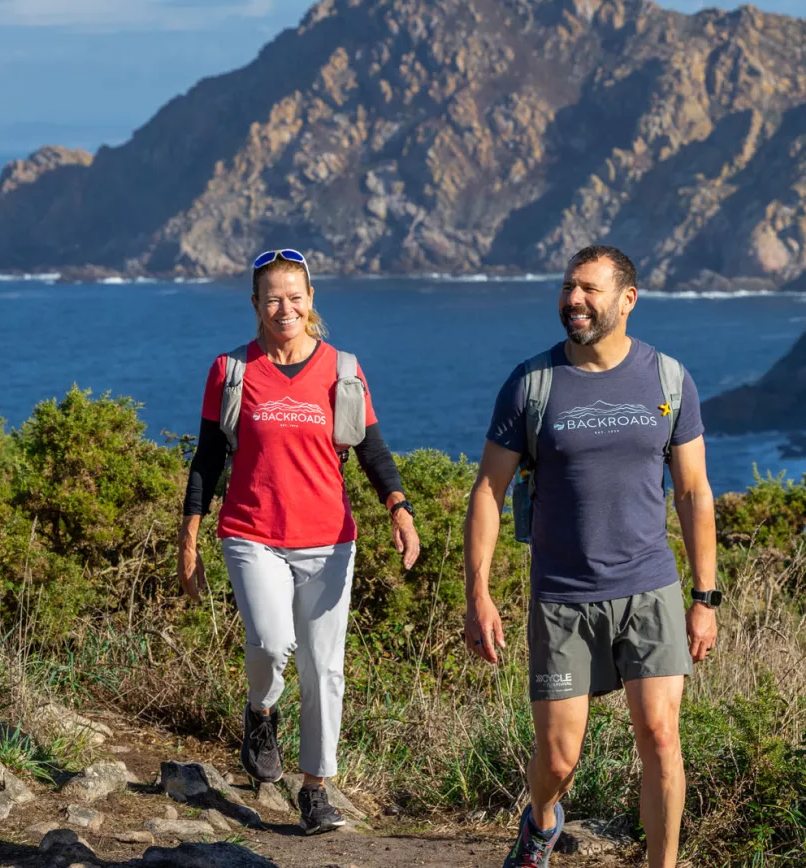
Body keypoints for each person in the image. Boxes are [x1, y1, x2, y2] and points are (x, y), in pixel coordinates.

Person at [464, 245, 720, 868]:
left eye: (588, 289)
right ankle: (542, 824)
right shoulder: (532, 383)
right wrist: (479, 594)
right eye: (566, 287)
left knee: (661, 736)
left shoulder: (668, 378)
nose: (572, 300)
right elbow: (489, 492)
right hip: (563, 597)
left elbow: (691, 491)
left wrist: (706, 597)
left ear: (627, 300)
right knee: (557, 758)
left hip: (650, 587)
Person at [177, 248, 420, 835]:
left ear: (311, 300)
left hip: (329, 540)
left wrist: (400, 509)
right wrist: (188, 539)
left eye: (295, 296)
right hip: (251, 532)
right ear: (256, 304)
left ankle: (315, 790)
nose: (284, 308)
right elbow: (208, 460)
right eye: (272, 298)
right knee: (269, 642)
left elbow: (371, 449)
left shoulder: (343, 369)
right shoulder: (231, 370)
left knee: (324, 668)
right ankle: (260, 710)